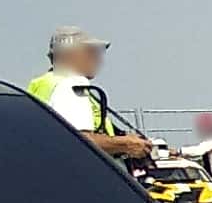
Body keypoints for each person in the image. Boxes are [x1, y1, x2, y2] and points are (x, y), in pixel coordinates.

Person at [26, 27, 152, 163]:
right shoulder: (71, 84)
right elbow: (77, 140)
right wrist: (125, 144)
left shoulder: (42, 84)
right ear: (70, 54)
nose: (98, 59)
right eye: (91, 51)